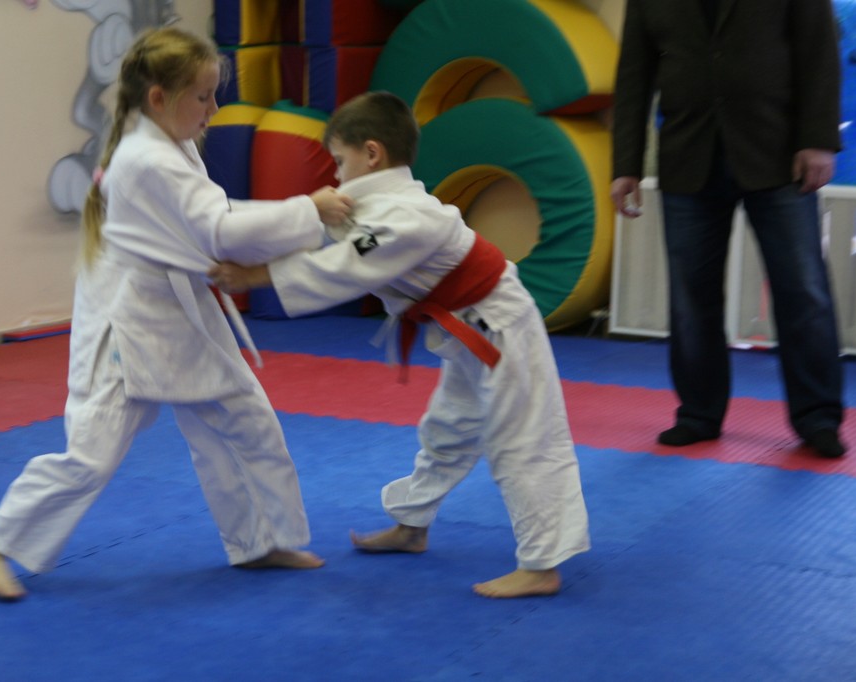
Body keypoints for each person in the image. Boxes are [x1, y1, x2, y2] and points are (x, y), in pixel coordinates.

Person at [0, 27, 354, 600]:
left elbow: (214, 216)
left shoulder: (170, 143)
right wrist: (310, 211)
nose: (213, 109)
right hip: (127, 326)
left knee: (246, 421)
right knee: (92, 455)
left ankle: (260, 541)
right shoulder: (145, 159)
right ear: (158, 98)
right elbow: (220, 229)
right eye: (203, 96)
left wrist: (292, 224)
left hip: (180, 310)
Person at [209, 91, 590, 599]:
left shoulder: (408, 216)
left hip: (501, 327)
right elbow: (316, 236)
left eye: (339, 160)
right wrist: (226, 221)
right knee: (448, 427)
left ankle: (542, 564)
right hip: (468, 331)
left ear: (372, 154)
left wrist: (255, 276)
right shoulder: (375, 207)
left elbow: (343, 266)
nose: (336, 174)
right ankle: (412, 525)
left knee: (523, 436)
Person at [610, 0, 847, 458]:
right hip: (688, 153)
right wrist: (625, 164)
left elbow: (819, 53)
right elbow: (634, 75)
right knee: (690, 299)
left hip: (779, 153)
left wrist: (818, 140)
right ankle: (698, 414)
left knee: (803, 292)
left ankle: (818, 417)